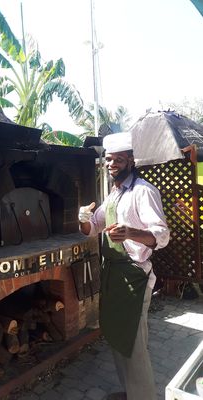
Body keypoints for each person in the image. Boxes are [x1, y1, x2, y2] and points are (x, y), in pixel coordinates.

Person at [79, 131, 170, 400]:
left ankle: (143, 396)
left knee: (134, 341)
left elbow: (162, 236)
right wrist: (83, 217)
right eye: (109, 159)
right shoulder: (113, 195)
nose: (112, 164)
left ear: (131, 161)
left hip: (134, 274)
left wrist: (130, 232)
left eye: (118, 159)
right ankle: (130, 391)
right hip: (113, 273)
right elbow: (93, 227)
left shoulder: (144, 192)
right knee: (117, 334)